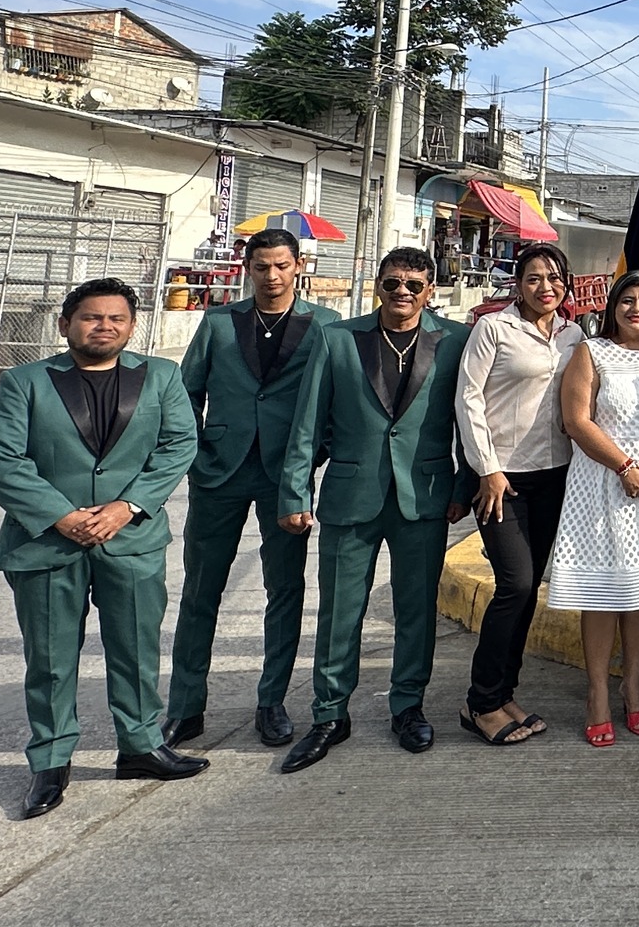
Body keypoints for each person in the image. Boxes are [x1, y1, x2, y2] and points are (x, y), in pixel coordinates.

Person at [0, 278, 208, 819]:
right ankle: (50, 760)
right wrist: (61, 515)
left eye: (116, 318)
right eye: (91, 317)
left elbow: (179, 444)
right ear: (66, 324)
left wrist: (127, 506)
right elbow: (2, 458)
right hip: (46, 543)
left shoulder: (161, 377)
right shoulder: (24, 382)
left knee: (136, 649)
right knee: (50, 658)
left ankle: (140, 746)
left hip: (130, 540)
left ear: (132, 327)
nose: (104, 326)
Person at [276, 247, 472, 773]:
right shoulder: (337, 338)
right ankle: (329, 714)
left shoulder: (456, 340)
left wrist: (464, 484)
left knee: (416, 609)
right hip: (350, 495)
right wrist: (295, 494)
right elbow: (307, 422)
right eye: (392, 283)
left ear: (430, 290)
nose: (402, 292)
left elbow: (471, 420)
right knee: (339, 610)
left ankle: (407, 706)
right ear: (378, 285)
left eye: (414, 284)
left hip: (424, 495)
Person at [167, 228, 338, 751]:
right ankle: (185, 708)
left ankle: (271, 702)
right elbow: (185, 394)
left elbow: (333, 400)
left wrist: (311, 459)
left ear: (298, 266)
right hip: (219, 472)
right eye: (261, 267)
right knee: (200, 590)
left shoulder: (325, 325)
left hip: (285, 475)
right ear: (248, 269)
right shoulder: (219, 322)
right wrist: (197, 453)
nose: (272, 276)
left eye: (281, 265)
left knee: (284, 589)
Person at [547, 269, 639, 746]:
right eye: (628, 300)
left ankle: (633, 686)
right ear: (613, 306)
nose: (637, 309)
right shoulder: (592, 351)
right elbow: (576, 420)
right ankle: (597, 693)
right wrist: (625, 466)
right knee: (605, 592)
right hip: (604, 482)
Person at [455, 241, 583, 746]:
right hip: (502, 479)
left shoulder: (574, 334)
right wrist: (486, 469)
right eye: (534, 278)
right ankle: (480, 702)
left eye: (554, 278)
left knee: (528, 591)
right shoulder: (493, 329)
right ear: (518, 283)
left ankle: (503, 693)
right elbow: (468, 400)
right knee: (515, 584)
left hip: (554, 476)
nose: (545, 287)